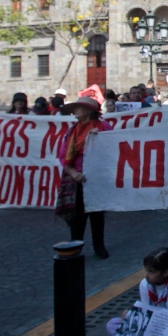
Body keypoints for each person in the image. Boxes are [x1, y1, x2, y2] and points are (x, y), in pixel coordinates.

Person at [57, 97, 110, 259]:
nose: (76, 110)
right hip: (77, 179)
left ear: (89, 110)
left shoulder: (103, 127)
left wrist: (98, 138)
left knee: (97, 215)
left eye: (79, 107)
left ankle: (99, 246)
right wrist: (73, 173)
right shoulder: (72, 131)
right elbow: (62, 156)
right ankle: (76, 246)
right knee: (77, 216)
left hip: (97, 178)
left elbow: (112, 148)